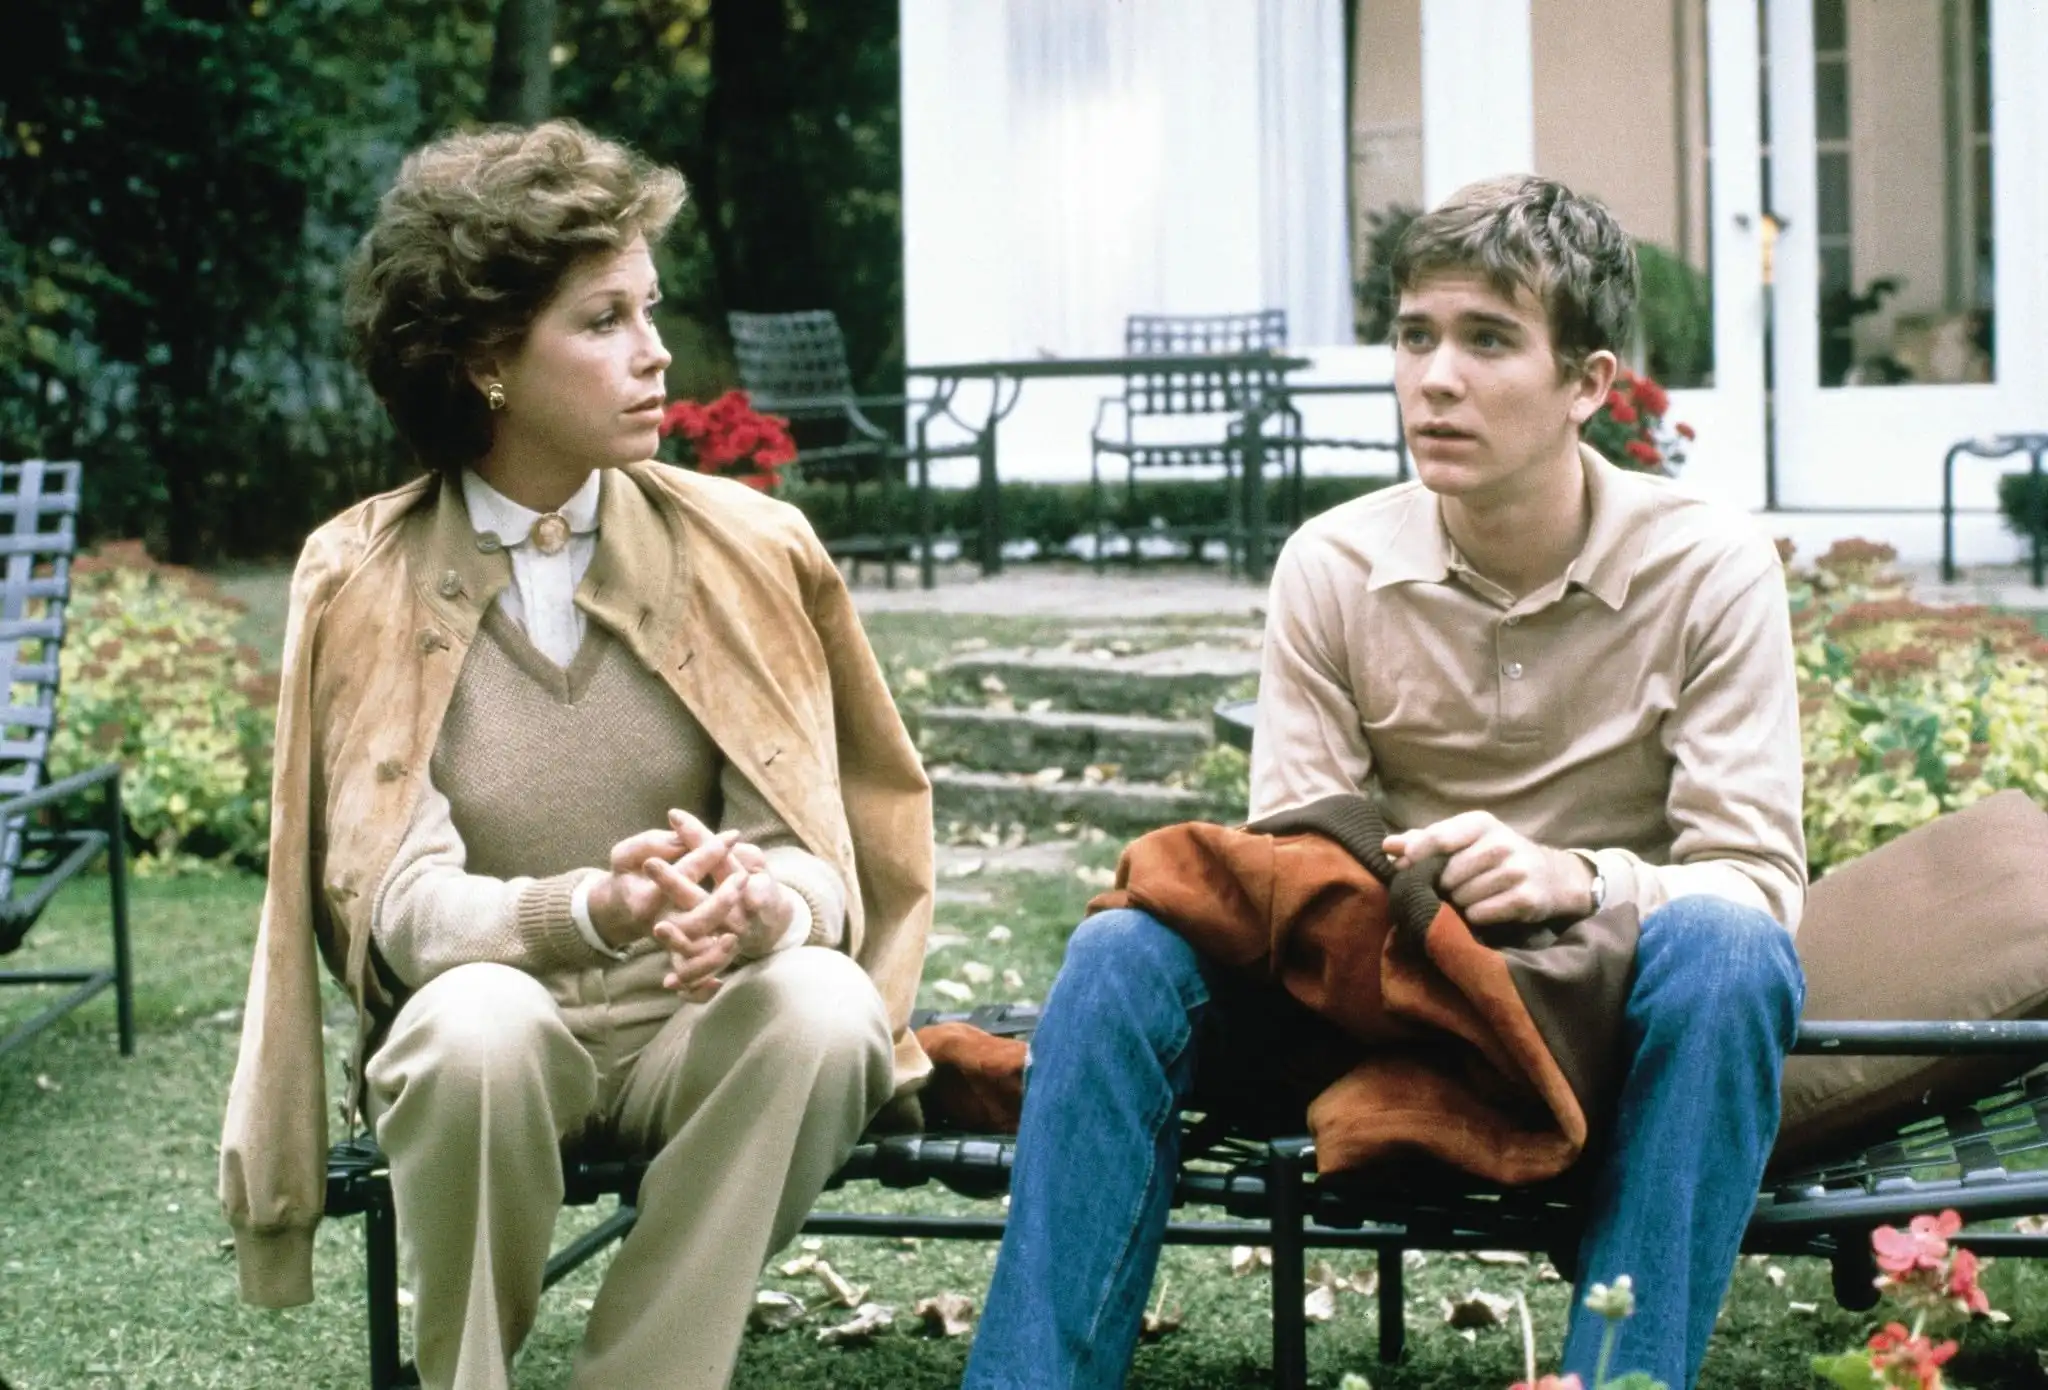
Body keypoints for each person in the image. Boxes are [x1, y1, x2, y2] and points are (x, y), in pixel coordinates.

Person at [963, 174, 1806, 1390]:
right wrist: (1415, 897)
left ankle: (1617, 1379)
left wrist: (1572, 877)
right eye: (1414, 336)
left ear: (1588, 384)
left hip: (1603, 1018)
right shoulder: (1335, 561)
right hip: (1383, 991)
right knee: (1118, 953)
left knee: (1731, 950)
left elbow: (1756, 882)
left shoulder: (1707, 565)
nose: (1434, 378)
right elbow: (1288, 874)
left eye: (1486, 340)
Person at [217, 121, 934, 1390]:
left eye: (648, 310)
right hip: (495, 1027)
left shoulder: (752, 546)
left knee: (826, 1008)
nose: (656, 353)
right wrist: (589, 910)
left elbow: (828, 851)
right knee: (475, 1026)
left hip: (699, 1026)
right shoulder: (362, 576)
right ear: (488, 357)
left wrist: (772, 906)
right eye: (602, 320)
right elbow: (396, 912)